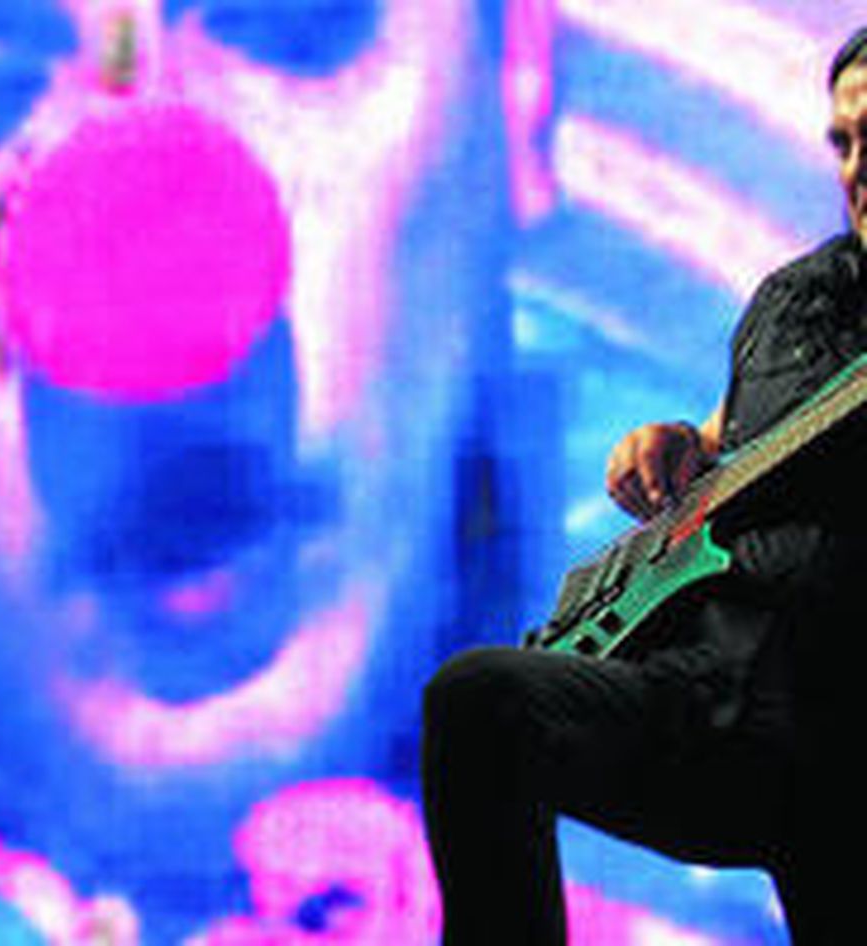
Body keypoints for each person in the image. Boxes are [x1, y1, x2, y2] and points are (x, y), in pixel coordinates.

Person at [420, 26, 867, 945]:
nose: (857, 169)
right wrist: (674, 445)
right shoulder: (796, 296)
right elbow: (728, 441)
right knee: (481, 702)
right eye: (844, 143)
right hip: (710, 705)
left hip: (849, 736)